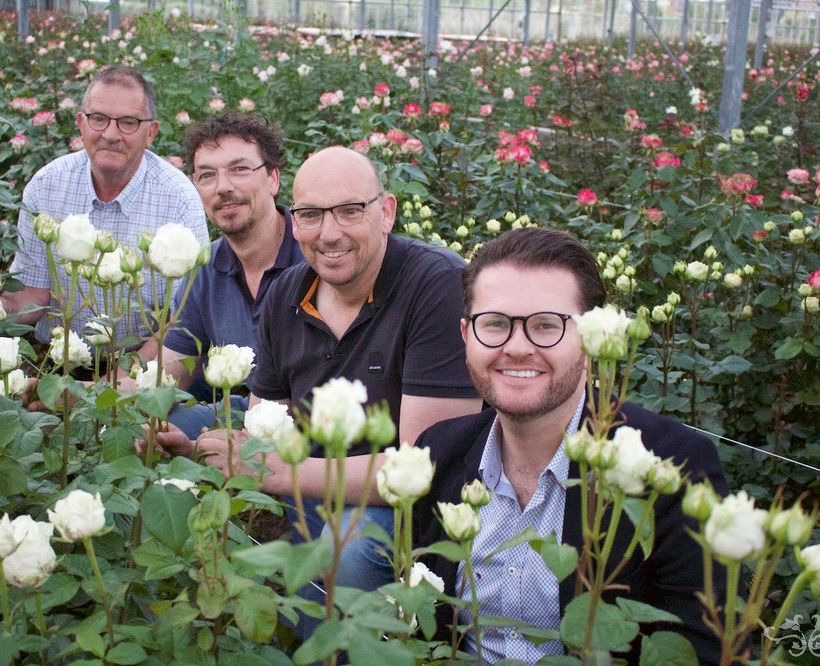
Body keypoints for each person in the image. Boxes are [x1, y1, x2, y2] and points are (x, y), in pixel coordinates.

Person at [155, 146, 483, 590]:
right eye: (310, 215)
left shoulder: (435, 285)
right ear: (294, 222)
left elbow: (421, 467)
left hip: (404, 505)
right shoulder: (286, 294)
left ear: (386, 213)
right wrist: (206, 454)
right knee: (180, 450)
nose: (329, 233)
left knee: (344, 553)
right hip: (312, 473)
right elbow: (265, 426)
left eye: (349, 211)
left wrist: (267, 470)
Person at [412, 227, 728, 664]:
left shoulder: (669, 464)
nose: (516, 347)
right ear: (466, 334)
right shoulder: (439, 455)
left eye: (546, 325)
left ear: (591, 335)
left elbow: (699, 647)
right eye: (495, 324)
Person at [4, 66, 209, 344]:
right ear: (81, 123)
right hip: (56, 363)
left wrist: (129, 378)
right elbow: (33, 293)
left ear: (151, 132)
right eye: (98, 119)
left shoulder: (179, 199)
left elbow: (185, 319)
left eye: (128, 122)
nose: (111, 134)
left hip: (140, 367)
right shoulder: (46, 186)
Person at [131, 112, 303, 434]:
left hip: (317, 416)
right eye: (207, 175)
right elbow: (170, 373)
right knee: (154, 430)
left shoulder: (313, 249)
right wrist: (88, 395)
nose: (223, 187)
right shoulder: (206, 269)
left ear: (273, 179)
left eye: (239, 169)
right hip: (252, 409)